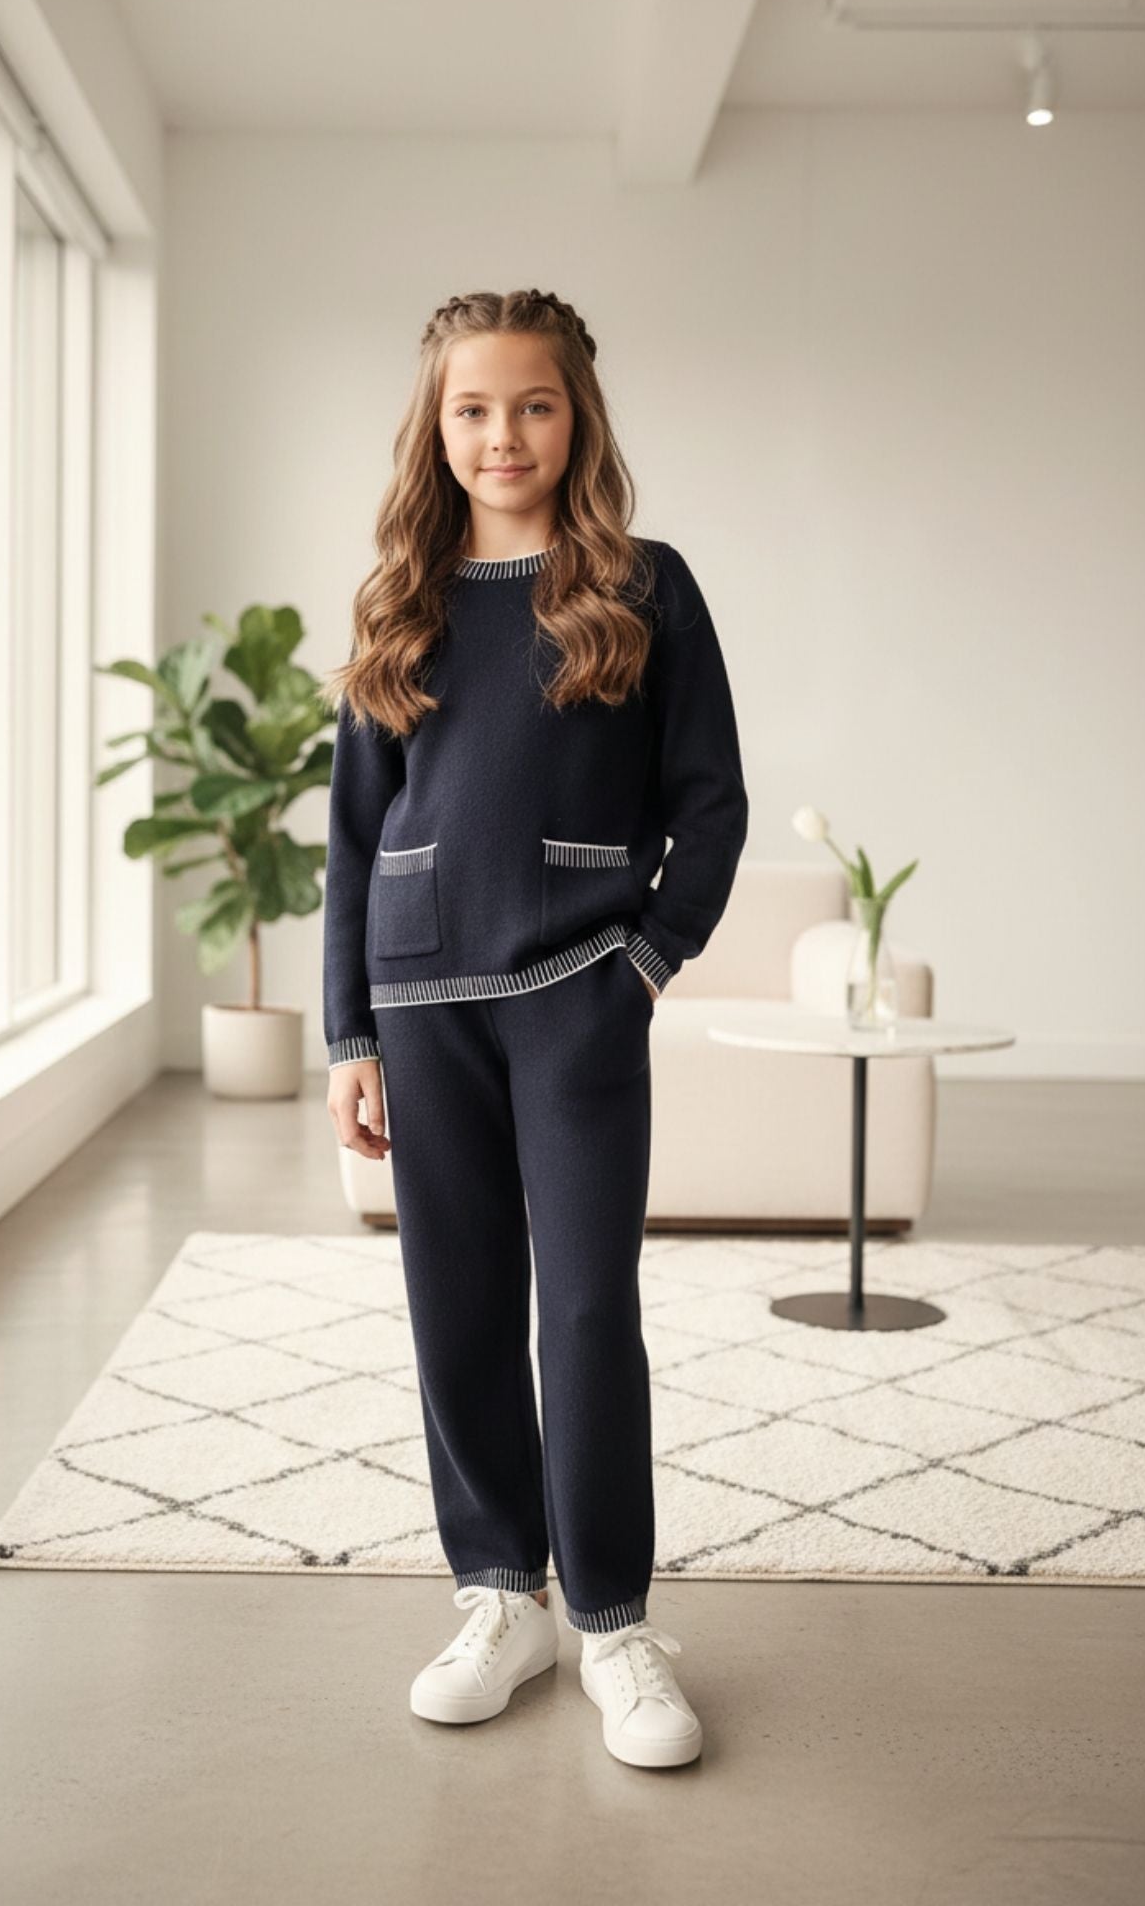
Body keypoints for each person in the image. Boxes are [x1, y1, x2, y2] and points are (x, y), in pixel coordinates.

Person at [322, 288, 748, 1770]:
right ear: (434, 430)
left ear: (578, 417)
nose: (503, 434)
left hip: (576, 1001)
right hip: (419, 1002)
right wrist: (346, 1036)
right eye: (472, 409)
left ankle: (615, 1625)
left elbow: (708, 804)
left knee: (582, 1310)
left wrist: (643, 958)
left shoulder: (644, 584)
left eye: (533, 405)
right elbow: (353, 840)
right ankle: (496, 1592)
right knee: (453, 1311)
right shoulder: (400, 598)